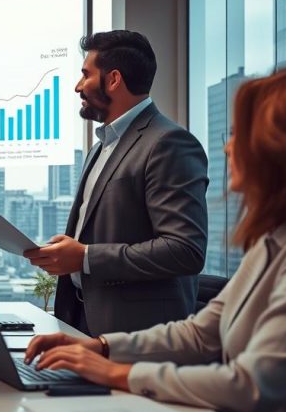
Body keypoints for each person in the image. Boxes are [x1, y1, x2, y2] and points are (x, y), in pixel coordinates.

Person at [26, 64, 286, 412]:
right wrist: (101, 347)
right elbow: (202, 334)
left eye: (239, 134)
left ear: (284, 148)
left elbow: (251, 385)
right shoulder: (276, 240)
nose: (227, 147)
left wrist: (116, 374)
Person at [24, 30, 208, 336]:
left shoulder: (168, 143)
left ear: (113, 80)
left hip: (138, 335)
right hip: (83, 318)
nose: (77, 86)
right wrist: (68, 254)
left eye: (85, 75)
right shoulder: (102, 146)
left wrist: (84, 257)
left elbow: (184, 249)